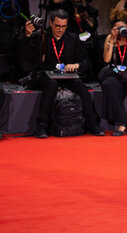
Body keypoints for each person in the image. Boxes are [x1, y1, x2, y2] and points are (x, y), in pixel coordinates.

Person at [18, 9, 104, 138]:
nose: (60, 29)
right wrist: (27, 36)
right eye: (57, 26)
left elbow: (85, 61)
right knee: (51, 84)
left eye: (63, 26)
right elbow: (24, 55)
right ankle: (42, 126)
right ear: (51, 23)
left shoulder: (72, 38)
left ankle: (93, 124)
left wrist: (77, 65)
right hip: (44, 75)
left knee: (79, 85)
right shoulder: (40, 36)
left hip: (66, 75)